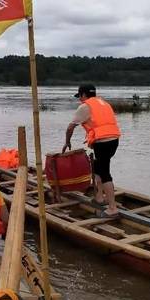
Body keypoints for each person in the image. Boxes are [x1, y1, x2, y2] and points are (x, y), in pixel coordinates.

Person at [63, 83, 121, 218]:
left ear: (83, 94)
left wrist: (67, 142)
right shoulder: (104, 104)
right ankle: (100, 198)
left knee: (104, 172)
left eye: (80, 96)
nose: (79, 99)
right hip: (113, 140)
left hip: (102, 143)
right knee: (98, 167)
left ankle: (112, 209)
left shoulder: (85, 107)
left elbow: (70, 128)